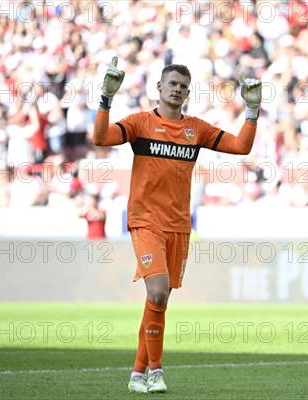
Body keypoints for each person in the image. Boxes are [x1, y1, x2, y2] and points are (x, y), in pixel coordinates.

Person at [93, 57, 262, 393]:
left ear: (188, 93)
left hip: (179, 226)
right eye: (172, 84)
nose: (178, 90)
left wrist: (253, 110)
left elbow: (241, 147)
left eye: (183, 87)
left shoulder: (196, 129)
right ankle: (156, 370)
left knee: (159, 301)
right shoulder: (140, 123)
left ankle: (137, 374)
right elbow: (101, 138)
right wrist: (105, 100)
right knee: (156, 291)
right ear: (159, 87)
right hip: (146, 223)